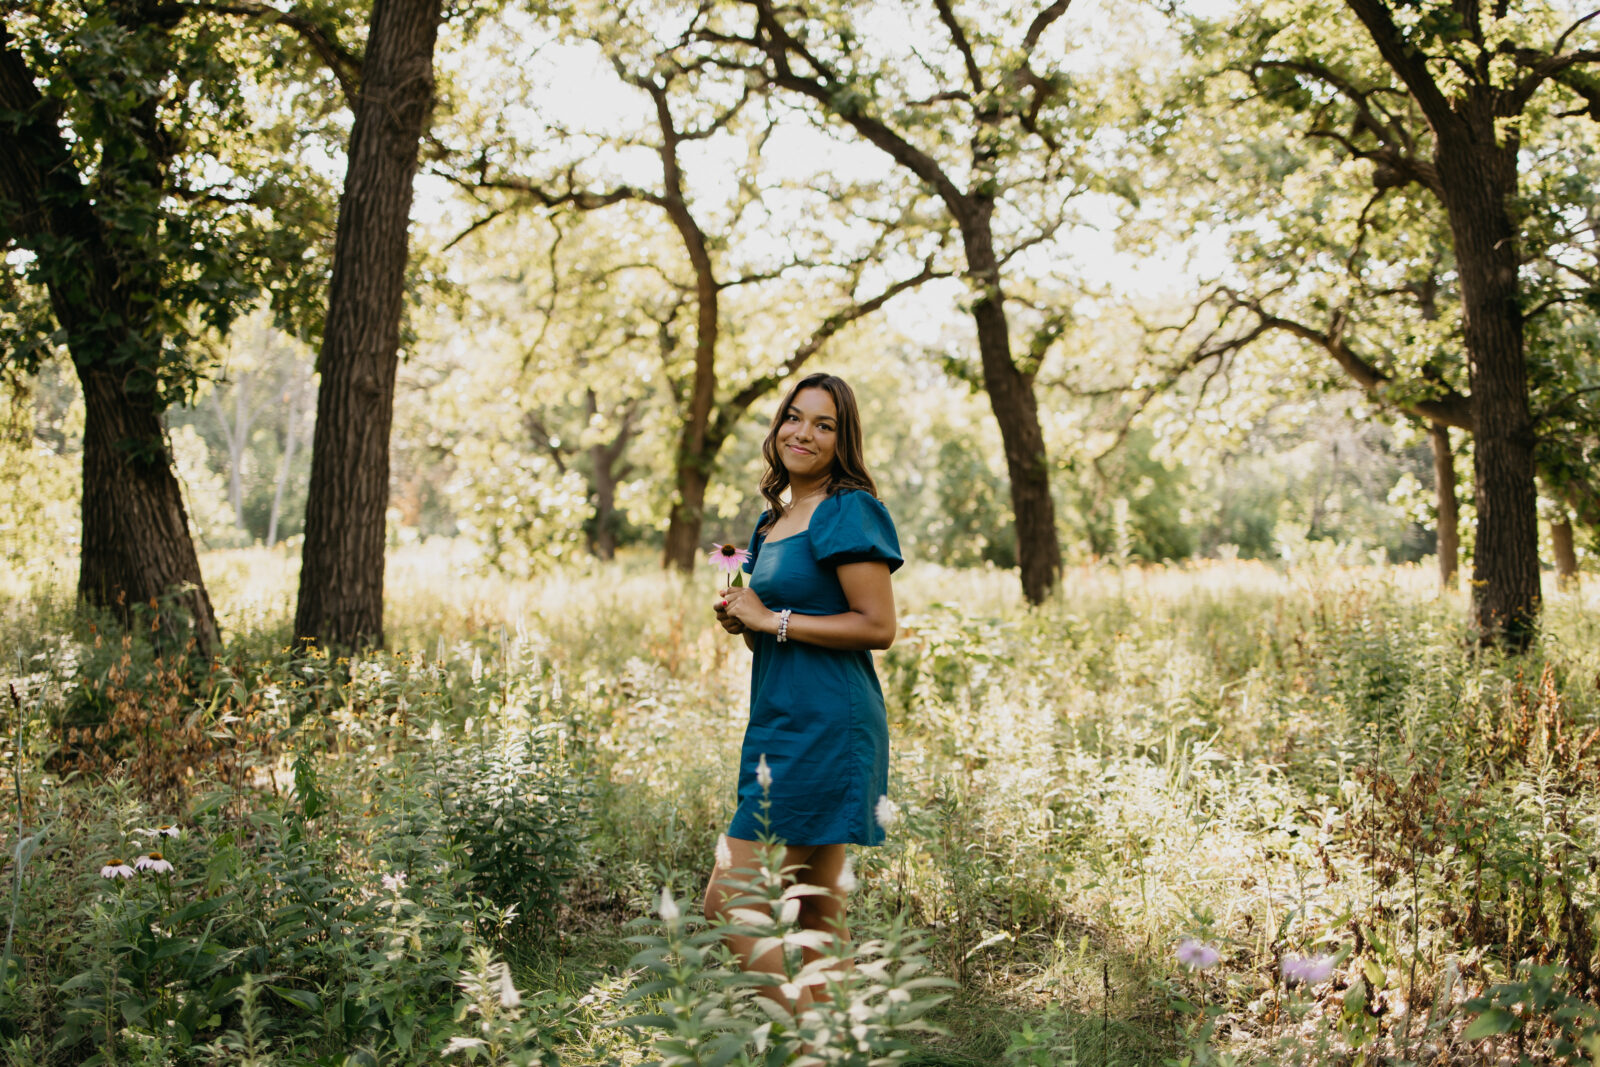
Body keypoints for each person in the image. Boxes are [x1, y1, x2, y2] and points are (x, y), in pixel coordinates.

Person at [705, 371, 903, 1015]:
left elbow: (878, 626)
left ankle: (804, 1043)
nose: (805, 433)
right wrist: (747, 620)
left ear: (843, 440)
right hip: (777, 718)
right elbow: (775, 631)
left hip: (827, 725)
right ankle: (834, 1043)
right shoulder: (770, 523)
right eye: (795, 417)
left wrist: (774, 619)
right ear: (777, 425)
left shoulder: (849, 508)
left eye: (825, 424)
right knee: (817, 912)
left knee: (732, 899)